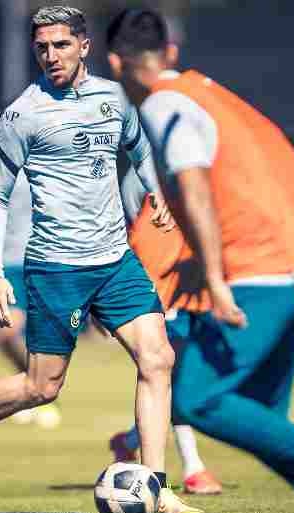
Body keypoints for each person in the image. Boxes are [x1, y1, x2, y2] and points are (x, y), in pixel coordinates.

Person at [0, 7, 202, 513]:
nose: (51, 55)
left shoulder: (115, 98)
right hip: (56, 267)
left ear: (84, 46)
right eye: (42, 47)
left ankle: (156, 487)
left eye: (61, 45)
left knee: (158, 358)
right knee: (41, 388)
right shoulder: (22, 115)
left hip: (114, 261)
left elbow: (139, 149)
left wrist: (155, 195)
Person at [105, 9, 294, 513]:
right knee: (266, 420)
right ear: (171, 53)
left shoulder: (165, 105)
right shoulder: (207, 93)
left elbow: (195, 186)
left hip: (258, 268)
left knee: (197, 399)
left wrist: (213, 277)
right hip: (292, 266)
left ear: (116, 62)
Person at [108, 170, 223, 496]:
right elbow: (129, 228)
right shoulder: (139, 173)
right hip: (156, 285)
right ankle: (193, 468)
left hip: (193, 282)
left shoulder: (200, 161)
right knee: (173, 375)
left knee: (185, 376)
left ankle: (129, 440)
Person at [0, 150, 61, 428]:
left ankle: (36, 390)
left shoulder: (51, 155)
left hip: (44, 257)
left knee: (37, 333)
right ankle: (32, 386)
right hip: (6, 262)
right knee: (5, 334)